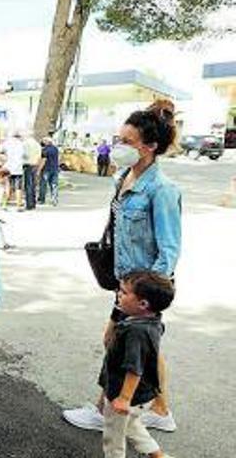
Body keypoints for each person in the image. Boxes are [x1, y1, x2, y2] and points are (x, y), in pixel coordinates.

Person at [64, 100, 181, 434]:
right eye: (119, 139)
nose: (119, 147)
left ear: (150, 146)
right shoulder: (124, 177)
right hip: (124, 284)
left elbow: (169, 249)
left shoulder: (162, 190)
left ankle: (104, 409)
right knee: (141, 347)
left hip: (142, 290)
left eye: (127, 142)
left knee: (117, 341)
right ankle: (160, 409)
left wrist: (146, 298)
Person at [98, 271, 174, 458]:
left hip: (127, 395)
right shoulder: (152, 321)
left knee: (113, 438)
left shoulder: (136, 332)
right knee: (132, 426)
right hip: (141, 395)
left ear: (143, 304)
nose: (118, 295)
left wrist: (123, 398)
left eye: (123, 292)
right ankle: (158, 455)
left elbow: (134, 368)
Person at [1, 130, 25, 209]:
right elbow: (25, 156)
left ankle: (4, 204)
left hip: (8, 168)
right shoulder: (22, 144)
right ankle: (18, 206)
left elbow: (1, 153)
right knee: (18, 188)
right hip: (18, 169)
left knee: (8, 186)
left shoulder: (7, 143)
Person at [38, 136, 60, 206]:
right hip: (55, 169)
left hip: (46, 169)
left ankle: (42, 199)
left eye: (43, 141)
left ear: (46, 142)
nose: (42, 142)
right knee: (54, 185)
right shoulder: (55, 149)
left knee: (43, 185)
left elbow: (43, 160)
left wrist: (39, 170)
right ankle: (54, 199)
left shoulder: (45, 150)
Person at [22, 133, 42, 210]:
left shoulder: (25, 144)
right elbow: (39, 156)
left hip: (27, 164)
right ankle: (33, 203)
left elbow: (24, 155)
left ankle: (29, 204)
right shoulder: (37, 145)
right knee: (33, 185)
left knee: (28, 185)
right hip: (35, 165)